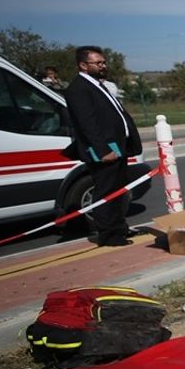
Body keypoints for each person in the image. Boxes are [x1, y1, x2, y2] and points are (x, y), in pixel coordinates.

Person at [64, 46, 142, 246]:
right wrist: (102, 150)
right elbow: (87, 124)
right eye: (97, 63)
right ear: (83, 65)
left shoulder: (98, 85)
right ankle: (109, 235)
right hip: (106, 150)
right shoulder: (78, 88)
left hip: (118, 147)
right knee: (107, 191)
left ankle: (119, 227)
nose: (103, 66)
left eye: (103, 62)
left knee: (118, 191)